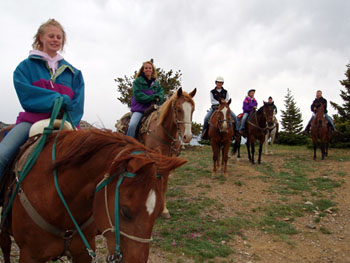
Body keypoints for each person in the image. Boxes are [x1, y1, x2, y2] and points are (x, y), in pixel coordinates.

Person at [0, 19, 85, 180]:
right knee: (2, 155)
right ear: (41, 38)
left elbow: (78, 103)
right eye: (51, 36)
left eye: (59, 37)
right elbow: (27, 96)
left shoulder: (74, 72)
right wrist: (56, 99)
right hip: (31, 121)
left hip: (67, 122)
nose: (55, 40)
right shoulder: (24, 68)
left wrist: (71, 120)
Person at [126, 61, 164, 138]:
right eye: (146, 68)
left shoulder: (156, 84)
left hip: (153, 109)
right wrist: (152, 98)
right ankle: (128, 142)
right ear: (143, 70)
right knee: (132, 125)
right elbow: (138, 95)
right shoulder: (137, 82)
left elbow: (161, 92)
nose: (148, 69)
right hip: (140, 110)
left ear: (152, 70)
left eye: (150, 68)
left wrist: (158, 97)